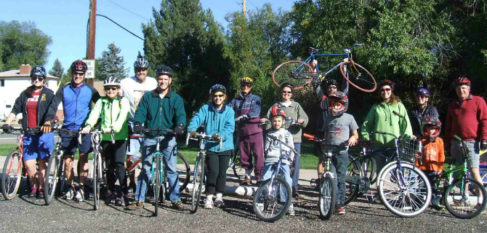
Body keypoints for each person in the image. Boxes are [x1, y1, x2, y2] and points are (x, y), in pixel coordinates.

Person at [126, 65, 186, 211]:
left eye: (165, 79)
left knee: (171, 169)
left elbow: (181, 115)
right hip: (150, 136)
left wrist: (179, 125)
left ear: (170, 81)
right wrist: (139, 123)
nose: (163, 82)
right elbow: (140, 112)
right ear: (157, 80)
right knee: (146, 168)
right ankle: (139, 199)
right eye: (160, 79)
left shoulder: (175, 99)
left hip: (168, 137)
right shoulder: (148, 97)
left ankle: (175, 199)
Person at [49, 60, 100, 202]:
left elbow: (100, 106)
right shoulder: (64, 89)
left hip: (84, 129)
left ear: (84, 75)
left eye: (80, 74)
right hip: (68, 128)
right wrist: (50, 119)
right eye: (75, 73)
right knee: (67, 161)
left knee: (83, 158)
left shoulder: (91, 90)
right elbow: (54, 105)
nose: (77, 76)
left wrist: (98, 123)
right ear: (71, 74)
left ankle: (82, 188)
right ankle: (71, 186)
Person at [2, 66, 56, 198]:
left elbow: (51, 111)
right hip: (29, 133)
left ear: (44, 79)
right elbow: (15, 109)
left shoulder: (48, 94)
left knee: (43, 162)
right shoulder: (25, 94)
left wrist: (48, 122)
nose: (36, 80)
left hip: (44, 132)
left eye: (40, 78)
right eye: (34, 78)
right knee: (28, 163)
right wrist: (7, 122)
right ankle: (35, 184)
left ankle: (42, 188)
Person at [81, 77, 130, 206]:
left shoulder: (123, 101)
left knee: (119, 164)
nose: (111, 91)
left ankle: (124, 192)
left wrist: (114, 128)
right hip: (106, 138)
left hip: (119, 137)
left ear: (118, 89)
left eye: (113, 88)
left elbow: (123, 116)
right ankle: (111, 191)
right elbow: (94, 114)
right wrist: (88, 126)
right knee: (109, 166)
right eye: (108, 88)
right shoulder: (102, 102)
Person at [187, 84, 235, 209]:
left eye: (220, 96)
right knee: (213, 171)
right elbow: (197, 118)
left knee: (222, 173)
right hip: (210, 146)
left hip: (225, 145)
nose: (217, 98)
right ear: (212, 97)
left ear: (224, 97)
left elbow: (230, 127)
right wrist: (192, 129)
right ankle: (209, 196)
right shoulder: (205, 108)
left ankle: (219, 196)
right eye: (215, 96)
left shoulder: (229, 111)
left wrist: (220, 135)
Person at [260, 83, 308, 197]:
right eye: (284, 92)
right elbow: (268, 120)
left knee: (294, 164)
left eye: (288, 92)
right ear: (281, 93)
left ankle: (293, 188)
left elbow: (305, 119)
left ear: (291, 94)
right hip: (278, 139)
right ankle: (275, 188)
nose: (286, 94)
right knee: (277, 164)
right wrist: (265, 122)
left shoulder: (296, 105)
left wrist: (301, 120)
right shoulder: (275, 106)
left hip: (294, 138)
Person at [120, 52, 157, 193]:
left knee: (151, 155)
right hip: (132, 123)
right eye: (138, 70)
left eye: (143, 70)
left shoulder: (153, 83)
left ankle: (150, 183)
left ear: (147, 70)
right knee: (131, 156)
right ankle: (132, 182)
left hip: (149, 124)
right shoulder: (126, 83)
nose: (141, 72)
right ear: (134, 70)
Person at [361, 80, 413, 177]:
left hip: (394, 143)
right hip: (378, 144)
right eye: (382, 90)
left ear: (391, 90)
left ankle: (398, 190)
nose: (385, 92)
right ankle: (379, 191)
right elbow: (366, 124)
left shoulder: (398, 105)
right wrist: (366, 137)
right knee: (380, 171)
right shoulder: (376, 107)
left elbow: (405, 124)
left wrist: (406, 137)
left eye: (387, 89)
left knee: (396, 171)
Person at [321, 91, 359, 215]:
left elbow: (355, 134)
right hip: (329, 150)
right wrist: (323, 142)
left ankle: (340, 203)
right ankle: (329, 200)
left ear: (343, 104)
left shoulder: (349, 117)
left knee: (341, 178)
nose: (335, 106)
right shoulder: (328, 117)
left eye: (338, 104)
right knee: (331, 175)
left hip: (342, 151)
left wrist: (353, 138)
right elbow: (326, 133)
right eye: (333, 104)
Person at [445, 77, 487, 186]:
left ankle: (482, 199)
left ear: (469, 89)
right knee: (459, 172)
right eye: (458, 89)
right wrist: (447, 143)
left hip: (472, 142)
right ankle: (464, 197)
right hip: (456, 142)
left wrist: (484, 138)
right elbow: (448, 126)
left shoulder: (478, 101)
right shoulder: (452, 105)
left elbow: (484, 120)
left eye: (463, 88)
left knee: (474, 170)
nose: (461, 91)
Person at [312, 77, 348, 188]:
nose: (332, 89)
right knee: (322, 158)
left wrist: (345, 69)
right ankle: (320, 181)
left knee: (336, 159)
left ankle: (334, 181)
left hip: (335, 134)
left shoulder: (340, 101)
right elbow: (316, 86)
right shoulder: (323, 99)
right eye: (330, 87)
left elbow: (346, 87)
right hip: (321, 132)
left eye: (334, 87)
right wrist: (313, 69)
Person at [228, 76, 264, 185]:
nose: (245, 87)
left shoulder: (256, 98)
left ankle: (259, 177)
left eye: (248, 85)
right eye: (243, 85)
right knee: (245, 155)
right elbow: (228, 109)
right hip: (242, 132)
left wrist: (244, 116)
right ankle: (247, 176)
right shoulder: (236, 100)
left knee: (258, 155)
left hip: (255, 131)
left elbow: (256, 112)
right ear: (240, 86)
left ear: (251, 87)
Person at [262, 106, 296, 215]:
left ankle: (288, 202)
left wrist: (290, 159)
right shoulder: (269, 134)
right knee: (266, 178)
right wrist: (266, 155)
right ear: (271, 121)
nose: (276, 123)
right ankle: (265, 199)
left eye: (279, 121)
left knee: (287, 180)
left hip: (284, 159)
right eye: (274, 121)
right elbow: (266, 148)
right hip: (271, 158)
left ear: (283, 121)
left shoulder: (287, 134)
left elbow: (291, 147)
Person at [415, 116, 445, 210]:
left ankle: (435, 202)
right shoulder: (421, 140)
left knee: (434, 187)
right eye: (429, 128)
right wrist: (417, 166)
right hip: (423, 168)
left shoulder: (439, 141)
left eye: (433, 129)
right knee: (422, 186)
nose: (431, 131)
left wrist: (440, 168)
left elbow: (441, 155)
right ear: (426, 128)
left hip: (434, 168)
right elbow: (417, 154)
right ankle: (420, 203)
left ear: (437, 129)